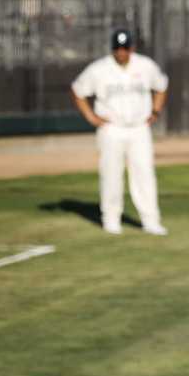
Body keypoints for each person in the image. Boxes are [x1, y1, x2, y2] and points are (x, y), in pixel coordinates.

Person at [70, 28, 169, 236]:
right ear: (112, 49)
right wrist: (91, 117)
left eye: (125, 48)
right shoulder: (100, 69)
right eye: (118, 48)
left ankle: (151, 221)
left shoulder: (145, 65)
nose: (121, 52)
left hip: (139, 128)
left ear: (131, 48)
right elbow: (78, 90)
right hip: (111, 128)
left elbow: (161, 86)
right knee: (111, 174)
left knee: (144, 174)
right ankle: (111, 219)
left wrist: (156, 111)